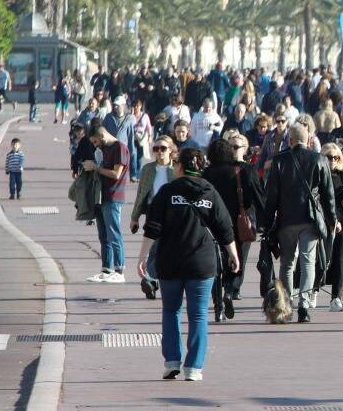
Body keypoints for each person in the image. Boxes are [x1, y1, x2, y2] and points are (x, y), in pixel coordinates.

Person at [144, 146, 239, 383]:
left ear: (179, 167)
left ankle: (171, 362)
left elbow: (153, 226)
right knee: (198, 315)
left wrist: (142, 257)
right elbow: (225, 228)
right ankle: (194, 366)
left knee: (171, 311)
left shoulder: (167, 192)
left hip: (171, 261)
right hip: (202, 263)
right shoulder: (210, 192)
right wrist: (233, 255)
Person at [264, 119, 339, 323]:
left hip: (286, 219)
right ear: (308, 141)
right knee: (308, 261)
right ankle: (304, 305)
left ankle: (285, 304)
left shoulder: (279, 161)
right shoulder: (319, 159)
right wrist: (332, 218)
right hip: (310, 218)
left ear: (290, 140)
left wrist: (267, 222)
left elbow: (271, 196)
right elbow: (328, 194)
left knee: (287, 263)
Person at [201, 133, 263, 322]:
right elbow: (258, 198)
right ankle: (230, 291)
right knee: (238, 261)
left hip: (213, 224)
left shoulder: (207, 173)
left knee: (215, 265)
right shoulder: (244, 171)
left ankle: (218, 306)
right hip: (238, 222)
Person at [130, 135, 177, 299]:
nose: (159, 152)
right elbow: (140, 194)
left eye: (163, 148)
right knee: (154, 248)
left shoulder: (176, 169)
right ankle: (150, 280)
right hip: (153, 211)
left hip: (173, 213)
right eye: (156, 149)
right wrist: (134, 217)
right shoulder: (148, 169)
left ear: (170, 150)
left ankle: (157, 281)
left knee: (169, 249)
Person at [88, 121, 130, 282]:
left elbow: (116, 174)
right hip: (102, 195)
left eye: (95, 141)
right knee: (103, 235)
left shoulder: (120, 147)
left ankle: (119, 270)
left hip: (114, 196)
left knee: (114, 233)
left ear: (102, 135)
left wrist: (96, 168)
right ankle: (106, 269)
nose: (95, 145)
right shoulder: (103, 149)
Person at [320, 142, 343, 310]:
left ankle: (336, 297)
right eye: (329, 157)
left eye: (336, 157)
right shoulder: (317, 176)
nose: (333, 160)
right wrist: (331, 220)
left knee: (340, 261)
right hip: (322, 225)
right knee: (320, 261)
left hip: (342, 225)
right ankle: (312, 291)